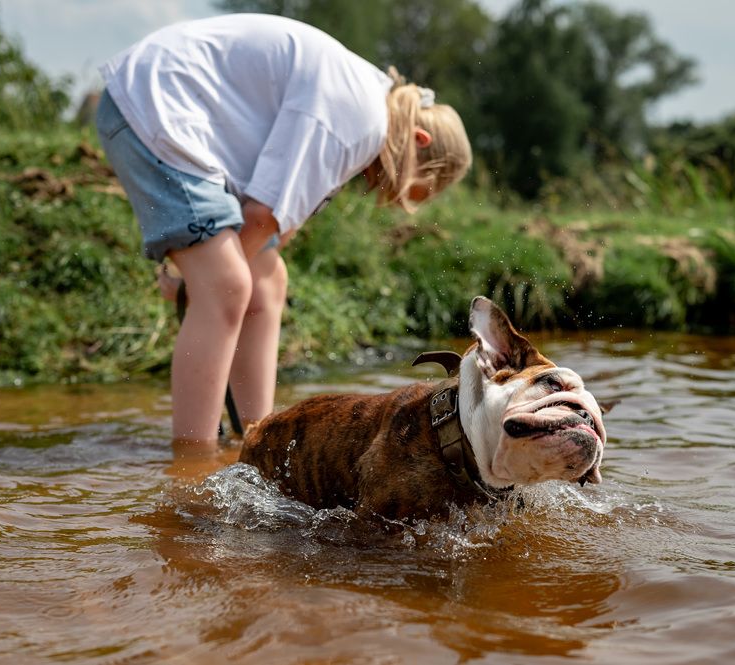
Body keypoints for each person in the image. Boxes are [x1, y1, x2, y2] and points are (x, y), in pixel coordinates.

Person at [95, 14, 472, 452]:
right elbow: (261, 216)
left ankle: (257, 443)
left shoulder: (361, 106)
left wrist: (206, 271)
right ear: (419, 140)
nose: (383, 193)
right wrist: (190, 283)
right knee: (225, 286)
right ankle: (192, 464)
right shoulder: (359, 118)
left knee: (267, 279)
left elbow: (280, 224)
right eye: (408, 188)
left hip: (176, 111)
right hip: (154, 103)